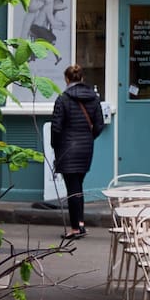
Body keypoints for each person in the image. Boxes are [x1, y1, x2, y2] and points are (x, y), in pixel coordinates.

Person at [49, 63, 105, 240]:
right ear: (82, 79)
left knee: (73, 188)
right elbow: (99, 125)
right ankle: (79, 223)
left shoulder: (63, 99)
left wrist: (55, 146)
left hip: (67, 148)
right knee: (77, 186)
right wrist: (88, 138)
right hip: (86, 148)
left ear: (66, 79)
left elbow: (56, 128)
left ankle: (75, 227)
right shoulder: (94, 99)